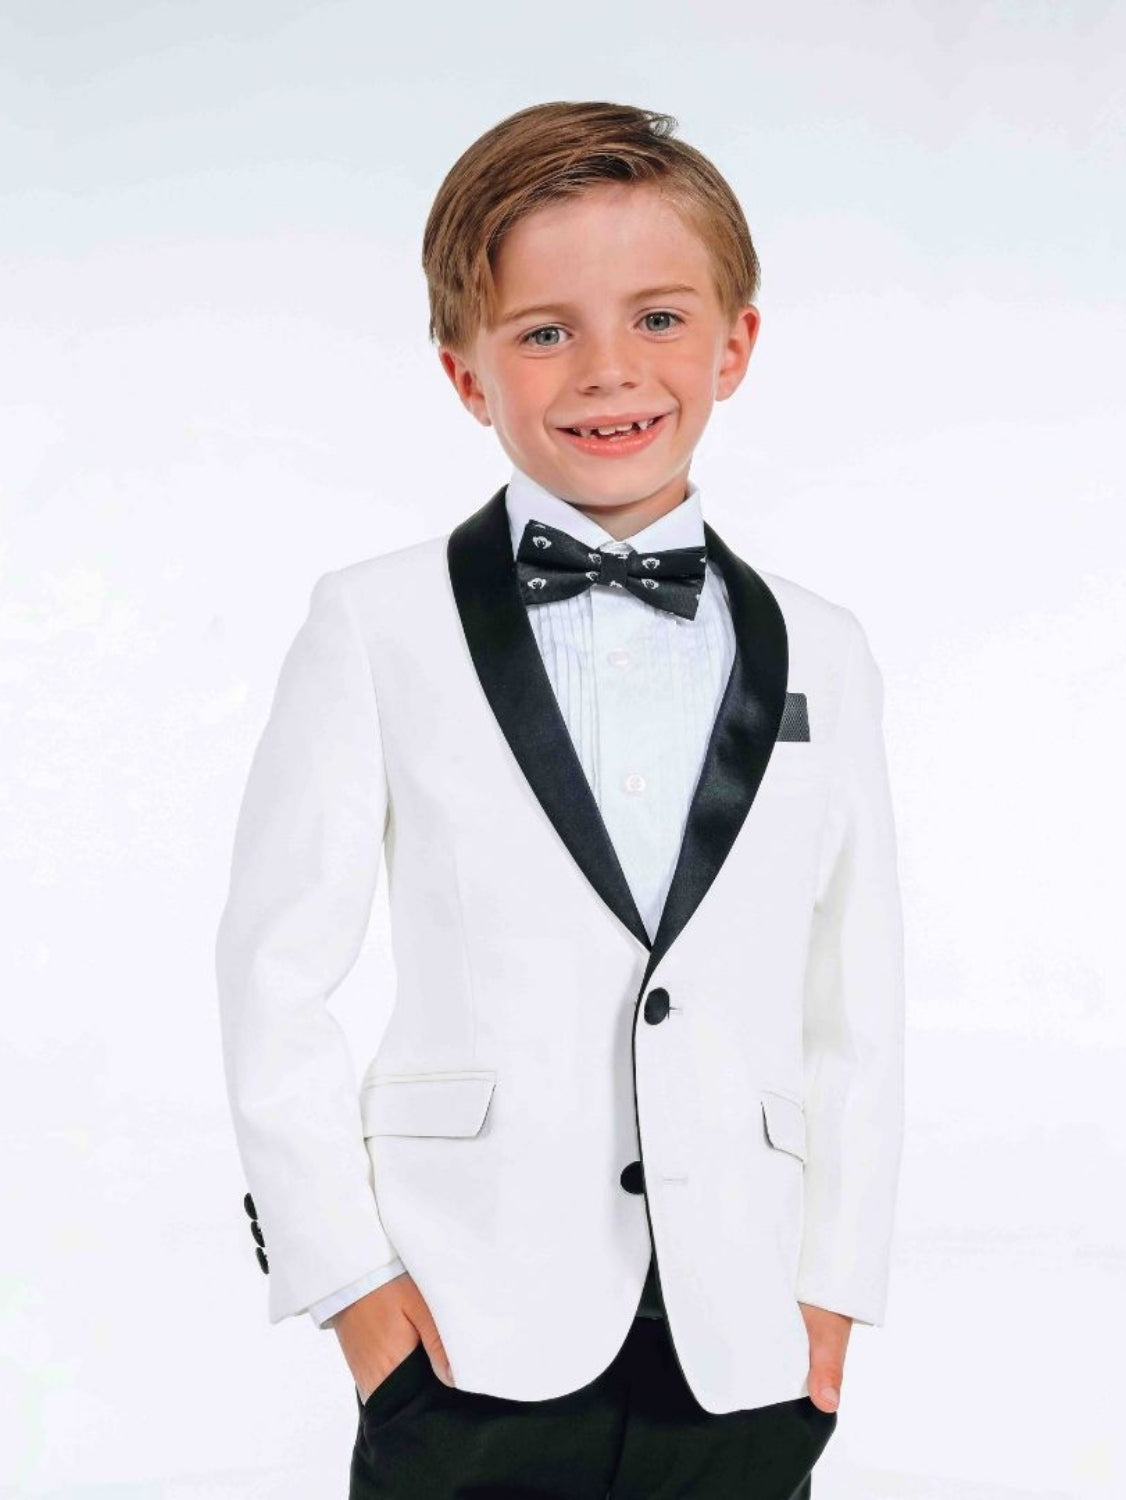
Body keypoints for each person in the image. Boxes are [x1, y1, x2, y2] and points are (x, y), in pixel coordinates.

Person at [216, 99, 906, 1500]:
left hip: (741, 1339)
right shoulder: (376, 625)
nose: (608, 371)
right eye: (544, 332)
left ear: (735, 344)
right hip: (468, 1325)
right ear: (466, 374)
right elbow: (273, 976)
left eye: (658, 318)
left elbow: (859, 999)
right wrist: (351, 1289)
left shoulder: (824, 647)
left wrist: (833, 1291)